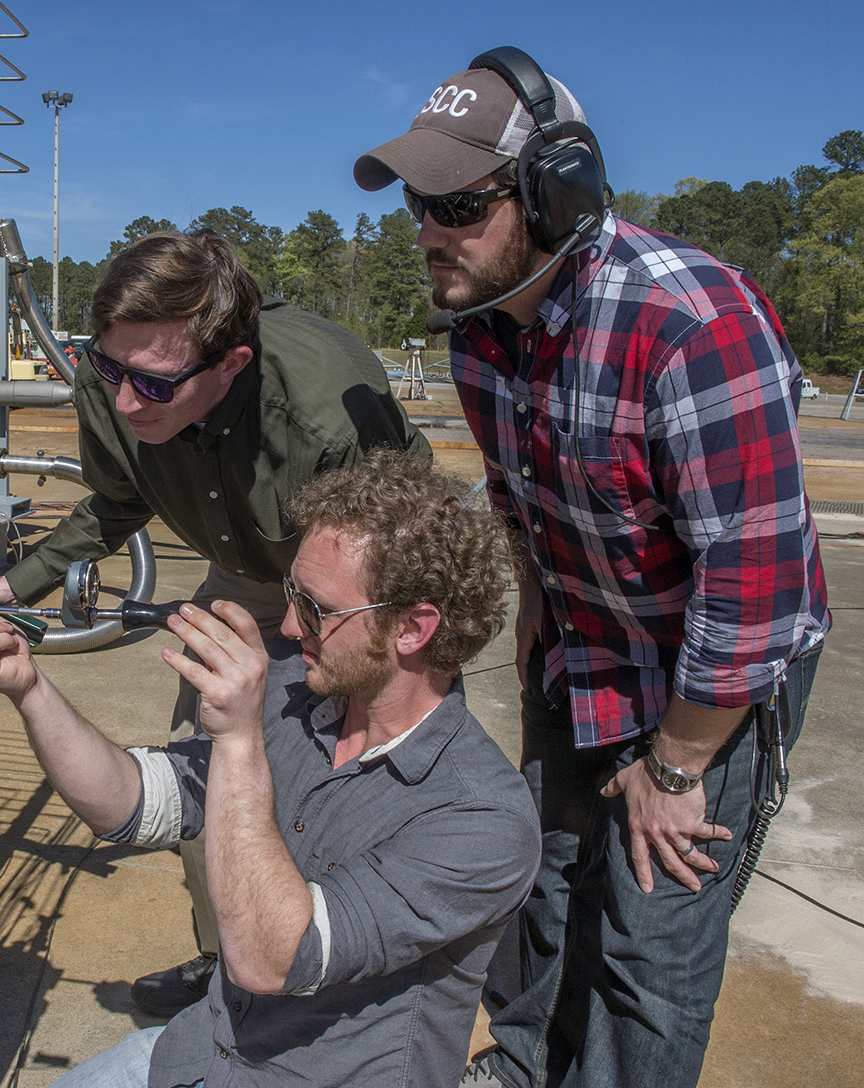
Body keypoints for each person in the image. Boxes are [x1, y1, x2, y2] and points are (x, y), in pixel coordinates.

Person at [352, 46, 830, 1088]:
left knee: (648, 940)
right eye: (418, 207)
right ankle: (527, 1065)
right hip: (583, 635)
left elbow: (756, 588)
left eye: (458, 203)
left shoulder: (689, 324)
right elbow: (517, 483)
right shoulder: (483, 333)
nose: (429, 230)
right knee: (544, 875)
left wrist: (676, 767)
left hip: (712, 670)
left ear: (555, 193)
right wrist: (535, 591)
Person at [0, 448, 540, 1087]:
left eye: (316, 609)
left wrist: (240, 740)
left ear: (413, 630)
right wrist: (29, 689)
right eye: (291, 596)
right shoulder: (296, 695)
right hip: (204, 1050)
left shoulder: (483, 819)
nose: (287, 624)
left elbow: (274, 958)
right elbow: (130, 804)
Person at [0, 229, 427, 1016]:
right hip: (245, 575)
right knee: (209, 783)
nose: (126, 400)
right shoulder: (117, 372)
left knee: (359, 786)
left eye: (155, 385)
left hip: (366, 584)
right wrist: (16, 583)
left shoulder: (324, 414)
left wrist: (343, 678)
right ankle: (229, 966)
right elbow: (116, 501)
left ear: (231, 363)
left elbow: (397, 561)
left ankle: (352, 993)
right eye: (112, 371)